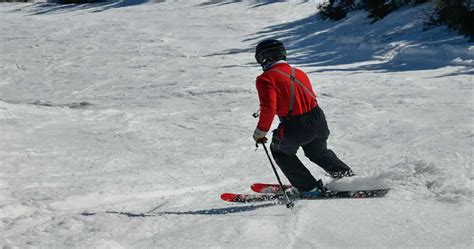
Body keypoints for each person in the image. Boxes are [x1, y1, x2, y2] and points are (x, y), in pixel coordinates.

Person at [252, 39, 354, 197]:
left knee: (280, 152)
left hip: (295, 125)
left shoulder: (265, 79)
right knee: (318, 152)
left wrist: (261, 132)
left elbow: (269, 108)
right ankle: (348, 178)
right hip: (318, 120)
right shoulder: (298, 72)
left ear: (265, 58)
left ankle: (308, 188)